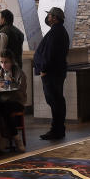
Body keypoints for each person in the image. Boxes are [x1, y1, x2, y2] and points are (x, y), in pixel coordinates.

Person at [34, 7, 70, 140]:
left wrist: (43, 69)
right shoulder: (58, 31)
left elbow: (49, 54)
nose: (47, 17)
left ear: (54, 18)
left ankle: (57, 130)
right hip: (55, 72)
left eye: (49, 15)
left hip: (51, 73)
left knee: (55, 101)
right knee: (56, 101)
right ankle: (58, 128)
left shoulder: (56, 32)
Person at [0, 50, 28, 152]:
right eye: (1, 62)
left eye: (6, 62)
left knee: (5, 108)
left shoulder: (19, 74)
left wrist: (11, 84)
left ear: (12, 62)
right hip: (4, 102)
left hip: (17, 101)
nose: (3, 65)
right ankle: (7, 137)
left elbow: (21, 92)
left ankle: (10, 139)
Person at [0, 9, 25, 75]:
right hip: (17, 67)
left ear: (3, 19)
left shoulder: (4, 33)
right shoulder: (18, 32)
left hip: (4, 69)